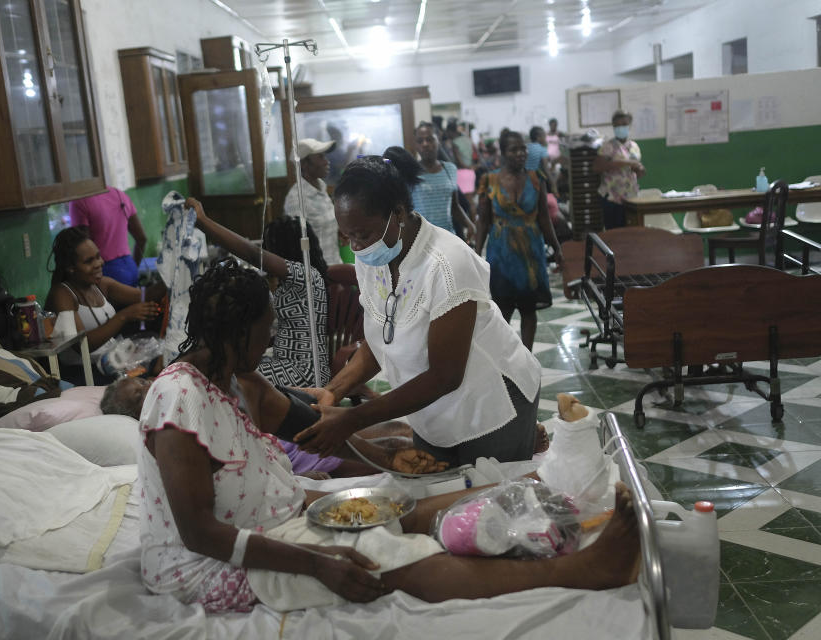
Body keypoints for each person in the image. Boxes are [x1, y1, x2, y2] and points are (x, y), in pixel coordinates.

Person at [137, 260, 641, 613]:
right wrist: (316, 562)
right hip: (214, 564)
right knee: (397, 560)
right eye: (266, 329)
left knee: (399, 503)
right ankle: (586, 571)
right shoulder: (178, 400)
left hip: (283, 515)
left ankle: (548, 486)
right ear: (235, 333)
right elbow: (198, 534)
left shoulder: (236, 379)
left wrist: (373, 445)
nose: (271, 340)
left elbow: (310, 418)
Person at [292, 155, 543, 468]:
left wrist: (351, 419)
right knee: (441, 496)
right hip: (432, 409)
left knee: (487, 502)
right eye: (348, 236)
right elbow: (381, 338)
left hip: (491, 403)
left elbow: (445, 375)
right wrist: (332, 391)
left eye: (362, 235)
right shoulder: (373, 257)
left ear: (397, 213)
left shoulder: (447, 263)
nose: (355, 247)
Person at [101, 373, 445, 478]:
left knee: (398, 432)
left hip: (291, 438)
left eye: (143, 382)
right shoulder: (175, 433)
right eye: (138, 396)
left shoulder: (197, 389)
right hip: (297, 458)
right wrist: (297, 482)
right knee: (398, 452)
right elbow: (244, 471)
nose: (148, 387)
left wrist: (325, 396)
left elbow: (273, 402)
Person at [187, 197, 331, 390]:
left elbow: (253, 255)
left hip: (303, 371)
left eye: (270, 249)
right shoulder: (297, 280)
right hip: (287, 363)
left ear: (283, 248)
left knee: (228, 372)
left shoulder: (304, 275)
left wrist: (203, 222)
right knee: (227, 363)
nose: (267, 254)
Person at [475, 130, 563, 352]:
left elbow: (544, 218)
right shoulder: (489, 180)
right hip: (501, 253)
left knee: (528, 308)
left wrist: (557, 250)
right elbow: (483, 221)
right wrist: (476, 255)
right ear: (504, 153)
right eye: (514, 149)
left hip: (530, 253)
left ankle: (527, 358)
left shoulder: (536, 179)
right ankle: (507, 361)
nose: (520, 153)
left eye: (523, 148)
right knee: (503, 309)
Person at [45, 226, 164, 384]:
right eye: (89, 261)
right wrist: (124, 316)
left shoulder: (101, 285)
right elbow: (82, 346)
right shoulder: (62, 294)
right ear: (71, 268)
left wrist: (173, 271)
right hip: (84, 373)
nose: (99, 263)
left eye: (98, 256)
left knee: (162, 357)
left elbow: (146, 296)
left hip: (110, 363)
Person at [69, 187, 148, 287]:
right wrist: (132, 267)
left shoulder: (79, 200)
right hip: (130, 267)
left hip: (105, 272)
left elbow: (82, 248)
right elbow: (142, 239)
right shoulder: (120, 195)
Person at [411, 123, 477, 243]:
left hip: (447, 237)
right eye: (420, 141)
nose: (425, 144)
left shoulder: (449, 169)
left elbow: (454, 206)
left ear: (438, 140)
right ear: (416, 145)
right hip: (421, 241)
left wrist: (469, 224)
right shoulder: (411, 172)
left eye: (430, 139)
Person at [283, 138, 344, 265]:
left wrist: (336, 230)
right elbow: (296, 247)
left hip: (334, 265)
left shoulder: (321, 188)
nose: (327, 162)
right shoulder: (297, 199)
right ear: (304, 164)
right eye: (321, 157)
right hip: (317, 275)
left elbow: (319, 226)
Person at [593, 110, 645, 229]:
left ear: (629, 125)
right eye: (617, 125)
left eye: (624, 124)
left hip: (631, 197)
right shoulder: (608, 146)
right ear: (613, 126)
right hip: (612, 198)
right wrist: (625, 162)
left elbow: (637, 170)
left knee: (631, 233)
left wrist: (639, 169)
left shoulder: (634, 146)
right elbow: (597, 167)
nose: (620, 127)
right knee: (615, 235)